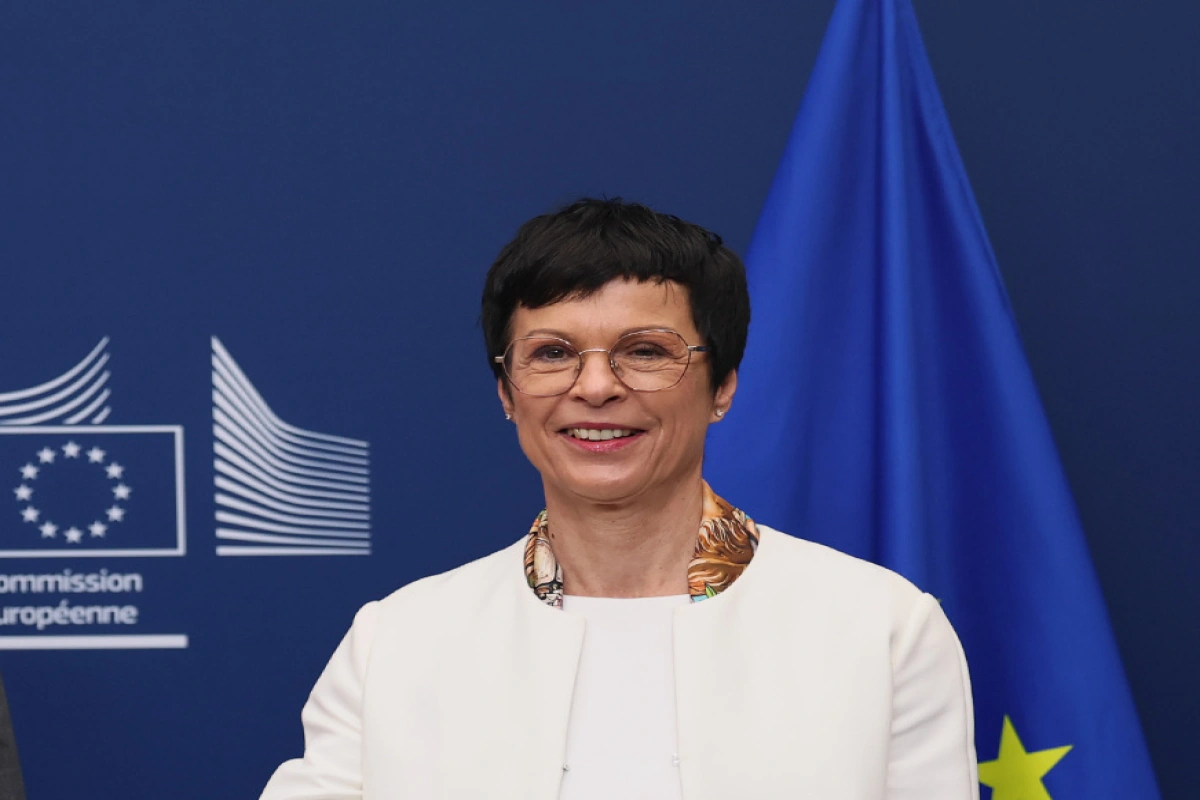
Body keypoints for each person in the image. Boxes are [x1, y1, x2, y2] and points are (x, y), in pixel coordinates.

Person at [260, 199, 979, 800]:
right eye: (552, 353)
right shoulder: (397, 643)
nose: (597, 387)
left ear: (723, 387)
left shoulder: (883, 630)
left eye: (646, 351)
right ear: (507, 393)